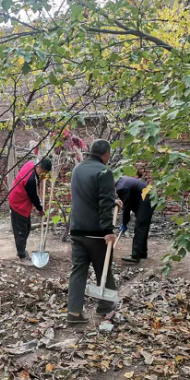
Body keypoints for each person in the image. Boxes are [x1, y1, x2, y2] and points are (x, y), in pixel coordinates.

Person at [67, 139, 123, 324]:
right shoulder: (104, 171)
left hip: (77, 230)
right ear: (106, 154)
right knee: (103, 268)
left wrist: (112, 200)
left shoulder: (78, 169)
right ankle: (105, 307)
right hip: (97, 233)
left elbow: (87, 196)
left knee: (78, 271)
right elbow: (104, 202)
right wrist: (108, 230)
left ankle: (74, 313)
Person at [8, 157, 52, 261]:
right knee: (21, 231)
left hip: (21, 200)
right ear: (38, 167)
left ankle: (22, 250)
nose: (43, 175)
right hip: (18, 204)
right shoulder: (31, 180)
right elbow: (34, 197)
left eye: (46, 174)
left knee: (27, 227)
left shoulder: (31, 163)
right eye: (43, 172)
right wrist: (40, 209)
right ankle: (22, 255)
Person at [116, 176, 155, 264]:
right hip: (147, 198)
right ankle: (142, 253)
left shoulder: (121, 187)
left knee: (140, 227)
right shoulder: (122, 181)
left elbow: (126, 207)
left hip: (147, 200)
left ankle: (135, 256)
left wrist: (124, 223)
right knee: (143, 226)